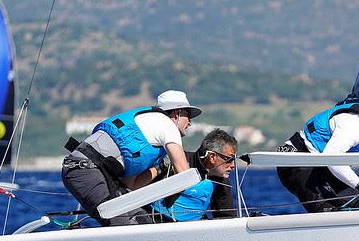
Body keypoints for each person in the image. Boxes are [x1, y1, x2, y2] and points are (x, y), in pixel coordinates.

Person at [61, 90, 201, 226]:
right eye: (188, 116)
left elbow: (131, 185)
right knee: (125, 224)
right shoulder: (167, 125)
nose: (190, 122)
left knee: (142, 221)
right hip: (85, 170)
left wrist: (160, 168)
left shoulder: (151, 128)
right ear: (177, 114)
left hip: (86, 170)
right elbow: (184, 174)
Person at [276, 85, 359, 212]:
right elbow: (331, 156)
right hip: (298, 162)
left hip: (324, 167)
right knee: (328, 211)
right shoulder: (355, 124)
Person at [149, 129, 238, 222]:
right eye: (229, 159)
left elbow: (226, 217)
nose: (233, 165)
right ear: (212, 157)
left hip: (190, 229)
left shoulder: (221, 180)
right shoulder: (178, 162)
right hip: (154, 221)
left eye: (234, 160)